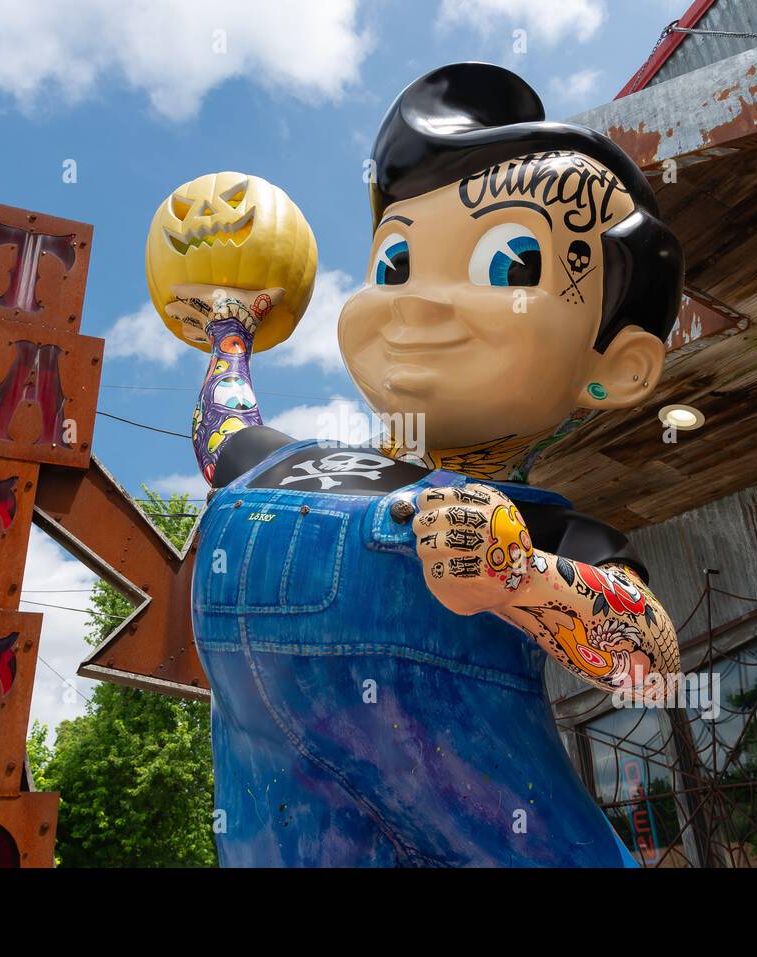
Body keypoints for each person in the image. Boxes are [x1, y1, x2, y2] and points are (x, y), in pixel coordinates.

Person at [171, 62, 685, 866]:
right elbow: (222, 429)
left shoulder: (540, 526)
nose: (412, 301)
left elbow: (647, 662)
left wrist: (522, 577)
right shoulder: (283, 465)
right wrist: (230, 334)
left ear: (616, 366)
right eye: (395, 265)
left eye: (509, 265)